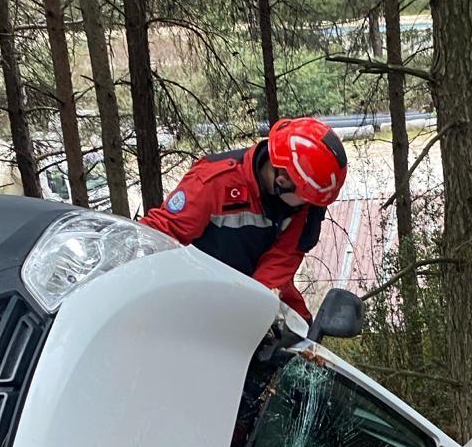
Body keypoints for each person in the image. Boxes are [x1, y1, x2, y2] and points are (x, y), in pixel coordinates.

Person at [141, 117, 347, 322]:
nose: (309, 206)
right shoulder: (214, 184)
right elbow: (158, 235)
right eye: (307, 198)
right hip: (197, 297)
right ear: (282, 181)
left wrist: (251, 313)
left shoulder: (302, 201)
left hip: (253, 297)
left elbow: (280, 262)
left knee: (301, 335)